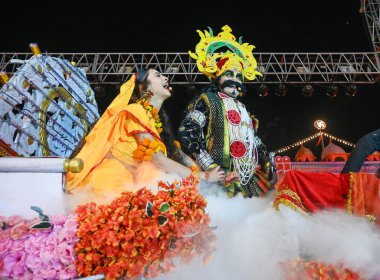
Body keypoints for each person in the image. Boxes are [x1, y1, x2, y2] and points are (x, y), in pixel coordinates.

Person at [66, 68, 225, 202]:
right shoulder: (135, 111)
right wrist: (203, 177)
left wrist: (217, 176)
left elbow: (180, 156)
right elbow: (159, 160)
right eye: (158, 75)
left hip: (130, 186)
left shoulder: (153, 122)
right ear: (144, 88)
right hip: (111, 182)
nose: (166, 77)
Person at [177, 25, 275, 198]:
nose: (235, 81)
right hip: (216, 179)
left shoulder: (245, 111)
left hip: (248, 179)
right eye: (229, 74)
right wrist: (212, 169)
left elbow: (255, 141)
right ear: (218, 78)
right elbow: (188, 133)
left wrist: (266, 161)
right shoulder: (207, 100)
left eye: (239, 77)